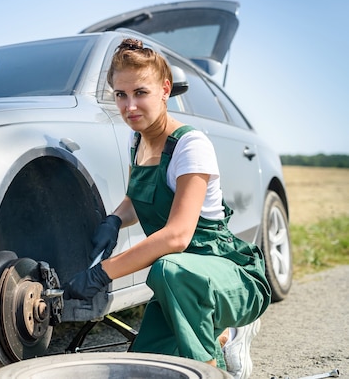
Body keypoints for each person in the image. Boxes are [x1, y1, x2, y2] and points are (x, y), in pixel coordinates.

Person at [63, 38, 271, 377]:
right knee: (145, 370)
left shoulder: (190, 145)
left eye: (140, 93)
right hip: (183, 283)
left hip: (228, 276)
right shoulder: (138, 140)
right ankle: (218, 332)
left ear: (164, 89)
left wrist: (101, 274)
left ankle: (216, 361)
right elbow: (138, 197)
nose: (130, 106)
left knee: (168, 270)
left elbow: (176, 236)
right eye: (121, 95)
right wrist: (115, 218)